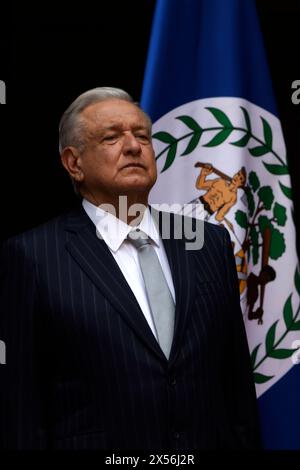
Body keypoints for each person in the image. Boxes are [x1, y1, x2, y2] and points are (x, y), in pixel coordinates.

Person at [0, 87, 260, 450]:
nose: (134, 146)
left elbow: (236, 387)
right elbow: (21, 406)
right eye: (111, 137)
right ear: (73, 163)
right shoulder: (33, 257)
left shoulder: (208, 242)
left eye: (142, 135)